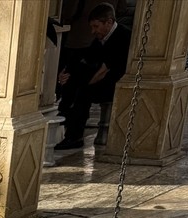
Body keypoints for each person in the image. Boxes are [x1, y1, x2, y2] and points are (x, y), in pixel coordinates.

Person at [54, 3, 131, 151]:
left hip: (118, 82)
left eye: (96, 26)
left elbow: (104, 70)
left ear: (108, 22)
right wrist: (68, 73)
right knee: (73, 81)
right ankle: (65, 115)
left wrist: (82, 84)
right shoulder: (102, 37)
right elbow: (88, 56)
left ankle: (74, 136)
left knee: (83, 93)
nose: (92, 31)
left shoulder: (122, 36)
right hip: (105, 77)